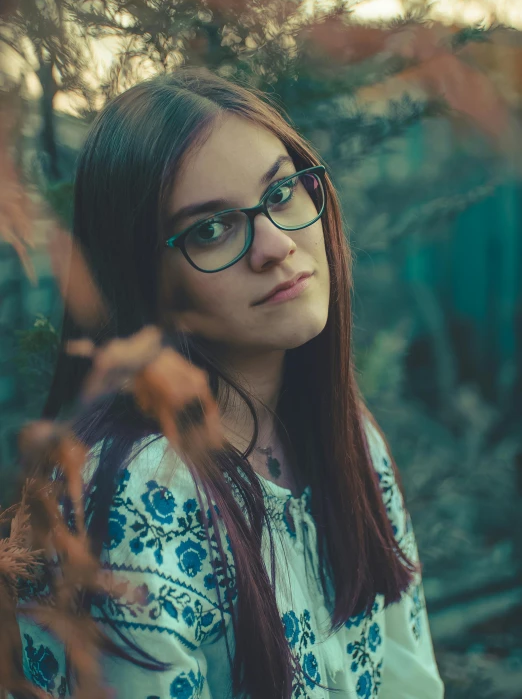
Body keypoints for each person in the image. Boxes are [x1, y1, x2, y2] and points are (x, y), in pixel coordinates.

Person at [17, 68, 444, 699]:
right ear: (144, 280)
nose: (273, 246)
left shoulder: (343, 432)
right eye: (210, 229)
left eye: (279, 194)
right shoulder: (133, 498)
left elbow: (410, 679)